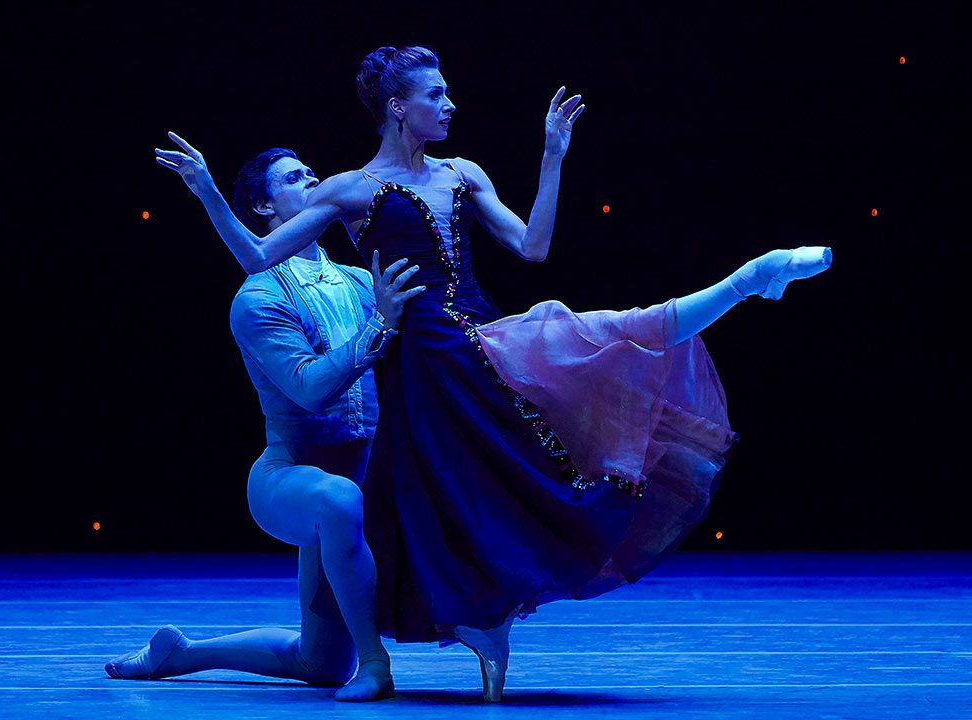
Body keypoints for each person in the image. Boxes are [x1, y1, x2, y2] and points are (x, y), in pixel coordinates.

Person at [154, 45, 832, 702]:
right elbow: (258, 255)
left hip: (477, 338)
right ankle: (483, 625)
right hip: (422, 366)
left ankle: (749, 279)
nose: (450, 103)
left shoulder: (463, 173)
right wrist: (209, 190)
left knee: (602, 337)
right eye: (435, 94)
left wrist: (552, 157)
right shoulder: (350, 190)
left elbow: (533, 248)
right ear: (397, 108)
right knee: (465, 501)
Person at [105, 148, 424, 701]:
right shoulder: (257, 297)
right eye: (297, 178)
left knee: (322, 665)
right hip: (290, 477)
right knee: (339, 499)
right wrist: (380, 324)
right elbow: (310, 389)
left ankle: (180, 656)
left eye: (313, 171)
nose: (315, 179)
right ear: (263, 207)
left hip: (361, 482)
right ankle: (376, 663)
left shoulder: (356, 279)